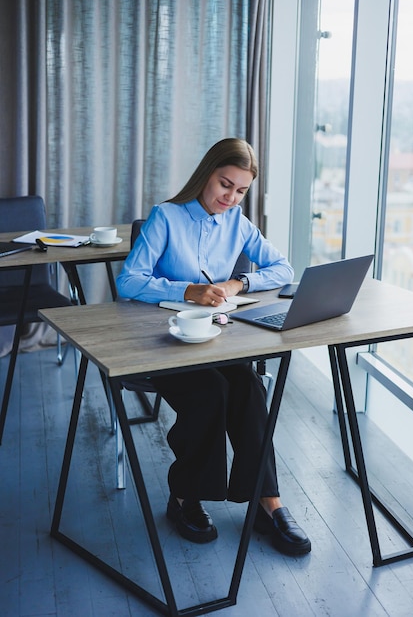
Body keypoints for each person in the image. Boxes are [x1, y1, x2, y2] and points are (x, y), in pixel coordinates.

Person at [116, 138, 311, 556]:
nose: (231, 197)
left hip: (215, 340)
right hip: (163, 340)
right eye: (225, 184)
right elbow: (128, 280)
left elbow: (283, 267)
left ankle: (266, 502)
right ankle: (185, 496)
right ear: (206, 174)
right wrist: (188, 290)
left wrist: (238, 282)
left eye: (241, 190)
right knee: (210, 392)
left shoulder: (238, 222)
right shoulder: (166, 217)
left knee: (249, 388)